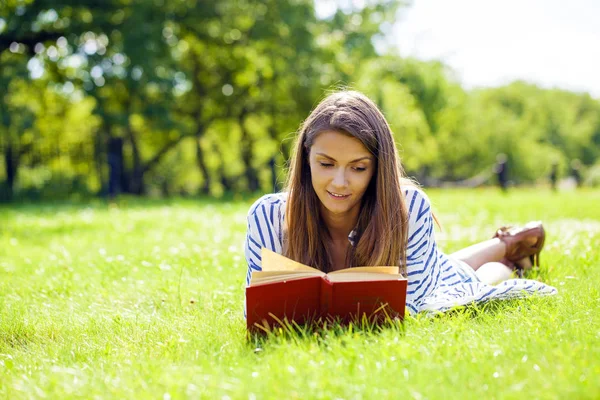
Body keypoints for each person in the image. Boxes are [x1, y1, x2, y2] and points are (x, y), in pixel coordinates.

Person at [244, 91, 556, 315]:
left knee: (471, 279)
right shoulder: (268, 215)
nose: (340, 182)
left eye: (358, 168)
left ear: (378, 168)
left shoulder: (407, 206)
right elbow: (256, 309)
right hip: (431, 265)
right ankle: (509, 241)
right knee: (449, 263)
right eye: (326, 164)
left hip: (438, 281)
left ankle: (508, 253)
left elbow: (415, 305)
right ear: (306, 159)